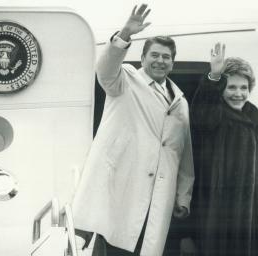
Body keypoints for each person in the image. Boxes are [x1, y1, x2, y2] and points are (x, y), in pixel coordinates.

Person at [72, 4, 194, 256]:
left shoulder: (180, 101)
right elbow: (105, 69)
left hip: (159, 195)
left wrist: (183, 196)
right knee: (114, 246)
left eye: (166, 57)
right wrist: (125, 35)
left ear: (173, 62)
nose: (160, 61)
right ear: (143, 58)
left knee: (145, 248)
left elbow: (183, 153)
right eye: (155, 55)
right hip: (122, 189)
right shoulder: (125, 80)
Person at [190, 42, 258, 256]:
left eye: (244, 87)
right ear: (221, 90)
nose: (238, 94)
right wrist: (214, 77)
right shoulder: (214, 116)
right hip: (225, 218)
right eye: (231, 87)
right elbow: (200, 115)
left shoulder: (257, 118)